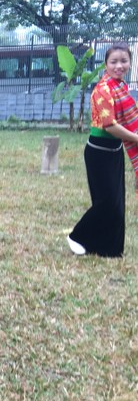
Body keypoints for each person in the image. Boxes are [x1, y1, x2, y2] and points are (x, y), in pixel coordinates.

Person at [68, 43, 138, 258]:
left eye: (124, 61)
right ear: (105, 64)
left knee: (117, 203)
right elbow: (109, 125)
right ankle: (77, 236)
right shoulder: (104, 89)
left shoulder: (121, 87)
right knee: (106, 203)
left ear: (130, 62)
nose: (119, 66)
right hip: (98, 152)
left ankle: (108, 247)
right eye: (113, 62)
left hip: (114, 150)